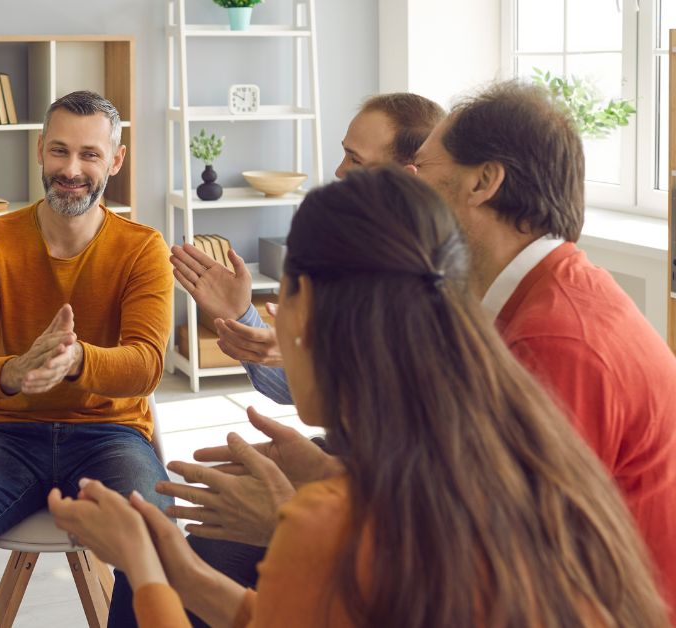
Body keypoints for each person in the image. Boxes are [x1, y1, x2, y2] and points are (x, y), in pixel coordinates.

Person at [48, 167, 669, 627]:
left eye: (279, 294)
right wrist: (178, 569)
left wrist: (141, 563)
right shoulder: (520, 442)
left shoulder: (333, 524)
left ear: (306, 307)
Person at [162, 92, 444, 616]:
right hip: (355, 469)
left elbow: (416, 486)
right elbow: (314, 396)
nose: (338, 170)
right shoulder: (363, 255)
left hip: (391, 501)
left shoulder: (431, 286)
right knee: (187, 548)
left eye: (356, 161)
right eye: (343, 152)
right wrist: (248, 323)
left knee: (181, 565)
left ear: (404, 177)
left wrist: (299, 502)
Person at [409, 80, 676, 616]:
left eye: (420, 171)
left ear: (484, 182)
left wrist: (306, 505)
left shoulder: (557, 340)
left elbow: (507, 559)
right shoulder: (543, 292)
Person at [0, 90, 173, 627]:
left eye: (90, 154)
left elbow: (147, 365)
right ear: (39, 151)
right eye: (59, 151)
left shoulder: (142, 247)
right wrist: (13, 372)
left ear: (116, 160)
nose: (72, 169)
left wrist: (77, 360)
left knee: (154, 527)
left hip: (110, 433)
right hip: (7, 433)